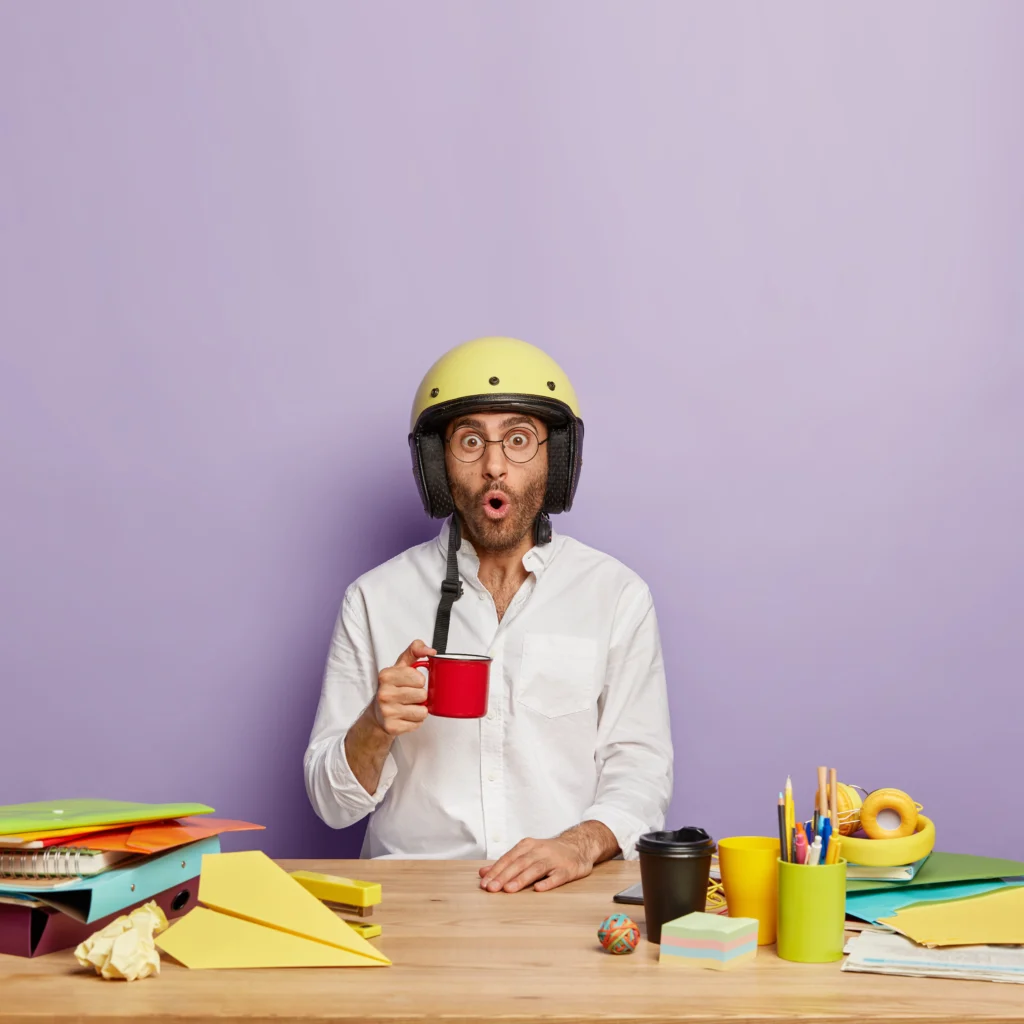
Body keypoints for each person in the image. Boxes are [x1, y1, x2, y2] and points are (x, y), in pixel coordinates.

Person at [304, 336, 673, 893]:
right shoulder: (373, 598)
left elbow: (641, 769)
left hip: (563, 895)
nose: (495, 465)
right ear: (436, 462)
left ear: (558, 458)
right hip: (413, 897)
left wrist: (578, 844)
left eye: (519, 440)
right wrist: (375, 727)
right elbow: (331, 805)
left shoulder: (617, 594)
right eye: (470, 441)